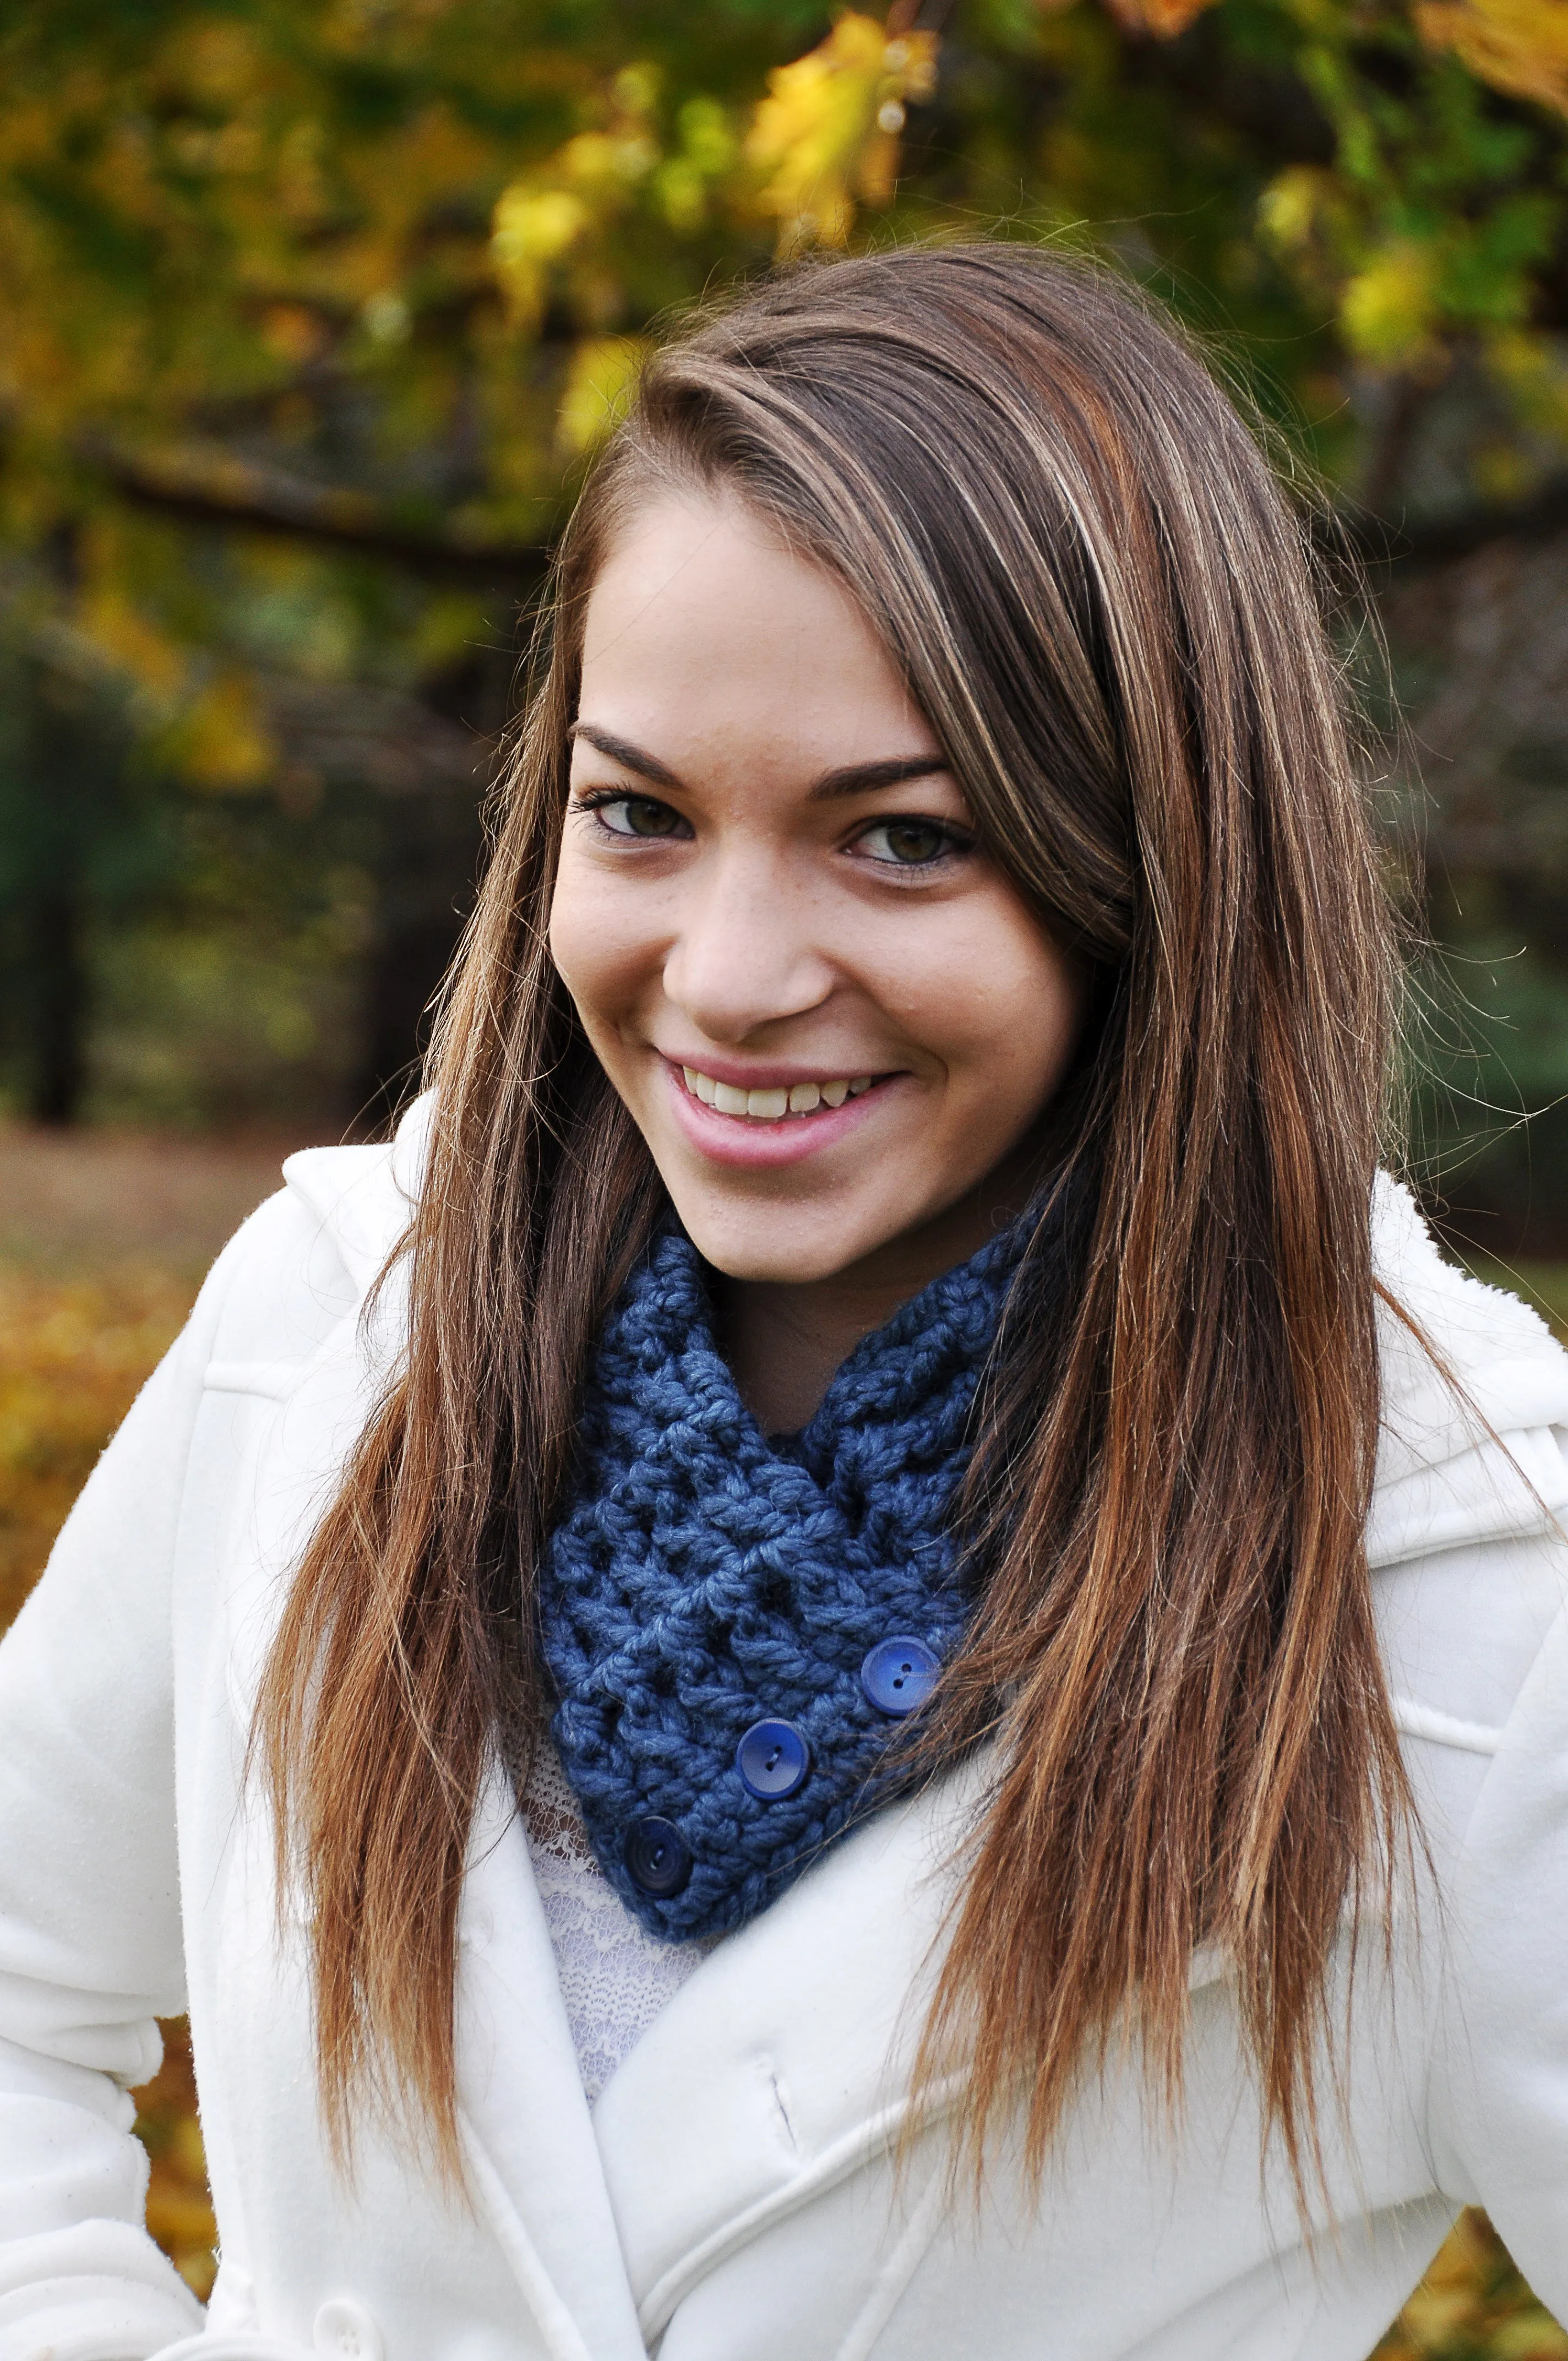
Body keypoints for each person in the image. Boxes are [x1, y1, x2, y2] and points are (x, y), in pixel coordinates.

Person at [2, 242, 1567, 2361]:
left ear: (1159, 866)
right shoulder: (338, 1324)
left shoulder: (1469, 1593)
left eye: (901, 841)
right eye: (638, 815)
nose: (726, 977)